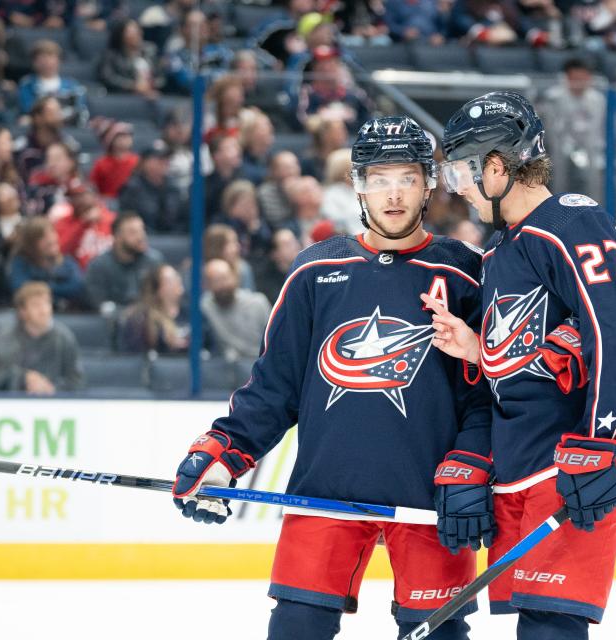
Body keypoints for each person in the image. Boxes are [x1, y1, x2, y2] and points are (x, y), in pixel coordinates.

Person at [170, 116, 494, 640]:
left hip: (433, 498)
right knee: (296, 627)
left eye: (408, 178)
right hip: (326, 492)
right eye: (379, 179)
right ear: (357, 184)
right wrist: (224, 453)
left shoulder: (465, 272)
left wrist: (471, 465)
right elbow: (275, 388)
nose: (393, 195)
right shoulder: (314, 271)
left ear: (428, 185)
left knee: (440, 634)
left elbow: (485, 392)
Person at [429, 91, 616, 639]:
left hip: (579, 456)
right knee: (536, 623)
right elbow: (540, 352)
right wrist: (477, 347)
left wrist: (599, 440)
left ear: (496, 166)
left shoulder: (570, 222)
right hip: (527, 462)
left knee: (550, 627)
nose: (458, 188)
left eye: (462, 171)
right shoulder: (500, 251)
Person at [0, 282, 83, 394]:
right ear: (22, 311)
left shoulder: (64, 337)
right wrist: (23, 380)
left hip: (54, 405)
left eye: (47, 303)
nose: (43, 310)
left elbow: (76, 380)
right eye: (36, 305)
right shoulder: (5, 338)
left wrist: (52, 389)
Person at [537, 57, 605, 196]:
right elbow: (549, 131)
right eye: (576, 78)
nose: (580, 82)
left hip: (590, 147)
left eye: (583, 78)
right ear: (567, 77)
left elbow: (600, 129)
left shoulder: (598, 99)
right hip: (559, 149)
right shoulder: (553, 97)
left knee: (594, 181)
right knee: (559, 178)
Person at [84, 212, 163, 311]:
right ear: (117, 237)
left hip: (149, 320)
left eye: (142, 230)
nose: (141, 237)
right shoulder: (98, 266)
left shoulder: (154, 262)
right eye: (133, 232)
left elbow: (161, 298)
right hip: (110, 323)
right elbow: (99, 304)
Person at [8, 216, 86, 308]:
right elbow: (20, 288)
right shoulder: (21, 262)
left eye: (52, 232)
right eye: (42, 236)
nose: (50, 238)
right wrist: (58, 289)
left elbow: (77, 287)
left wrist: (41, 288)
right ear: (31, 243)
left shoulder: (67, 262)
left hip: (67, 314)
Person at [201, 258, 271, 360]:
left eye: (225, 278)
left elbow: (274, 340)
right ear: (206, 285)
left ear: (235, 277)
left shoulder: (258, 303)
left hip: (258, 364)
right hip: (225, 368)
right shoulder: (205, 307)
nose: (223, 285)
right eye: (216, 280)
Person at [117, 263, 189, 353]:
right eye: (172, 279)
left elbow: (209, 344)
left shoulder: (191, 313)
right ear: (160, 289)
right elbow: (134, 357)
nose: (178, 280)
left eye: (177, 276)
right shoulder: (140, 320)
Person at [117, 142, 187, 233]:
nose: (165, 162)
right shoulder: (131, 189)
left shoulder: (173, 187)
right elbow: (128, 219)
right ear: (145, 162)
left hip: (174, 238)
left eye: (167, 159)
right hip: (143, 237)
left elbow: (181, 218)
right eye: (159, 159)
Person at [17, 39, 88, 125]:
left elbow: (80, 111)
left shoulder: (73, 86)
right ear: (34, 62)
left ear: (59, 60)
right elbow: (28, 110)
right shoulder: (27, 85)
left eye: (51, 56)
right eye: (43, 57)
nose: (48, 62)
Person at [88, 118, 139, 198]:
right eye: (121, 137)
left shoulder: (137, 161)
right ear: (111, 140)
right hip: (107, 201)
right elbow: (93, 186)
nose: (125, 140)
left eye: (128, 136)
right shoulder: (101, 163)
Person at [254, 228, 301, 302]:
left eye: (294, 241)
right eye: (287, 244)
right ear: (275, 253)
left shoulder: (305, 271)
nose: (295, 246)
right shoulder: (266, 280)